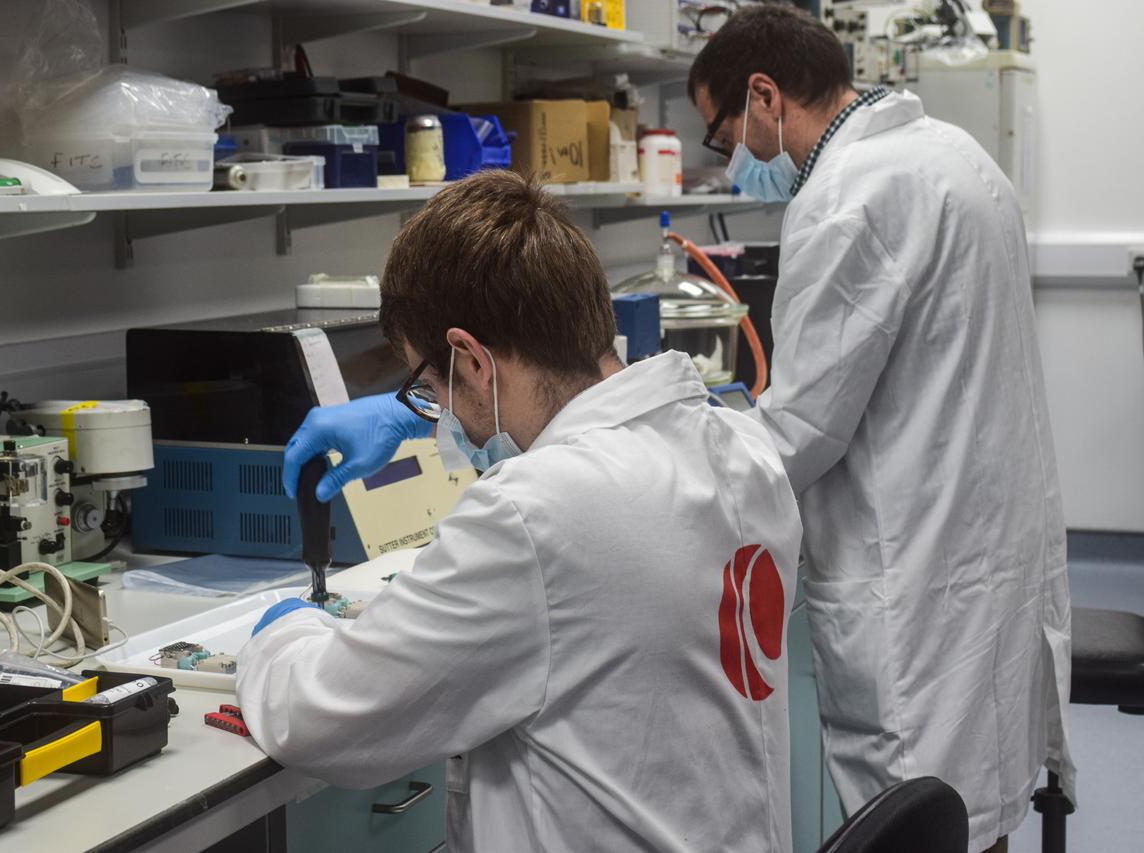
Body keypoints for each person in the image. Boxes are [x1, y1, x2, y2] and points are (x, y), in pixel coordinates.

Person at [239, 170, 804, 852]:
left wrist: (282, 631)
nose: (440, 415)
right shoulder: (739, 446)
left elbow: (318, 715)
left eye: (426, 387)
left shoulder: (535, 513)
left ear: (472, 360)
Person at [685, 6, 1073, 853]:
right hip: (982, 542)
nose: (737, 160)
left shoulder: (843, 203)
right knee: (973, 805)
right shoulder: (958, 157)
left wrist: (678, 451)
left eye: (724, 137)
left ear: (763, 95)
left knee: (921, 814)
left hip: (915, 570)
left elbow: (799, 433)